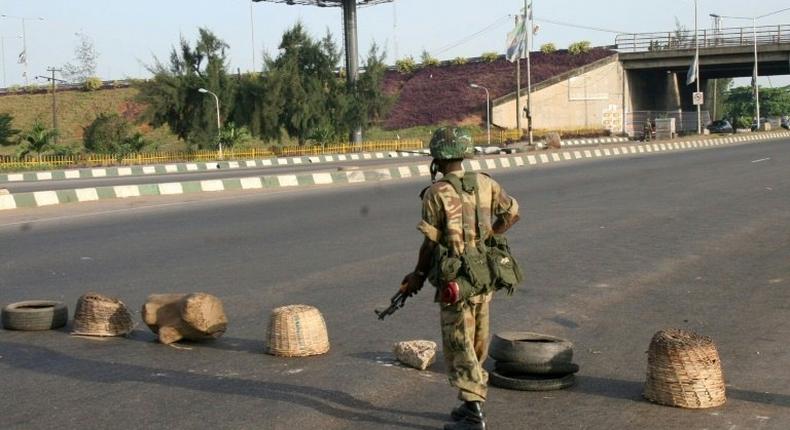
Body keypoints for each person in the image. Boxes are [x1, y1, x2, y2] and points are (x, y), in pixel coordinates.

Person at [401, 127, 520, 430]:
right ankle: (471, 401)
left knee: (458, 342)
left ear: (438, 159)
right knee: (477, 337)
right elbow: (511, 214)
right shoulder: (485, 183)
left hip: (455, 279)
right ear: (465, 154)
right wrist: (488, 239)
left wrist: (416, 276)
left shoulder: (435, 193)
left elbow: (430, 245)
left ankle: (473, 410)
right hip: (483, 275)